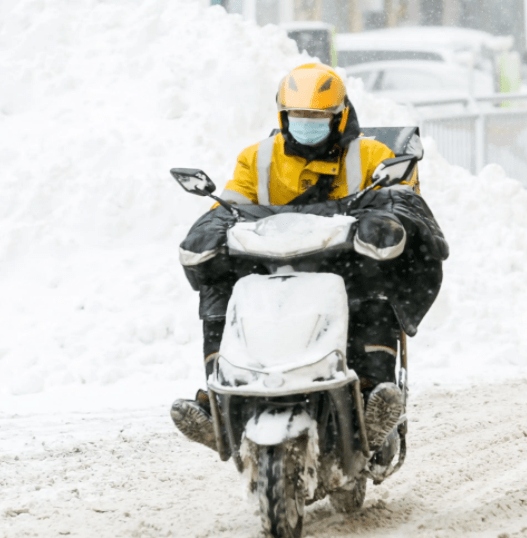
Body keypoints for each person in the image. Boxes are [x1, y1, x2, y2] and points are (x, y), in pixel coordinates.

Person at [171, 63, 426, 454]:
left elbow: (401, 198)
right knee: (220, 284)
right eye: (298, 116)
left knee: (375, 285)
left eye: (319, 117)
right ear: (282, 115)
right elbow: (232, 202)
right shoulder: (257, 158)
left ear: (339, 115)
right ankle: (216, 399)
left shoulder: (372, 155)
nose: (307, 123)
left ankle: (376, 399)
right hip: (273, 263)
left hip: (346, 265)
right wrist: (209, 227)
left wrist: (383, 220)